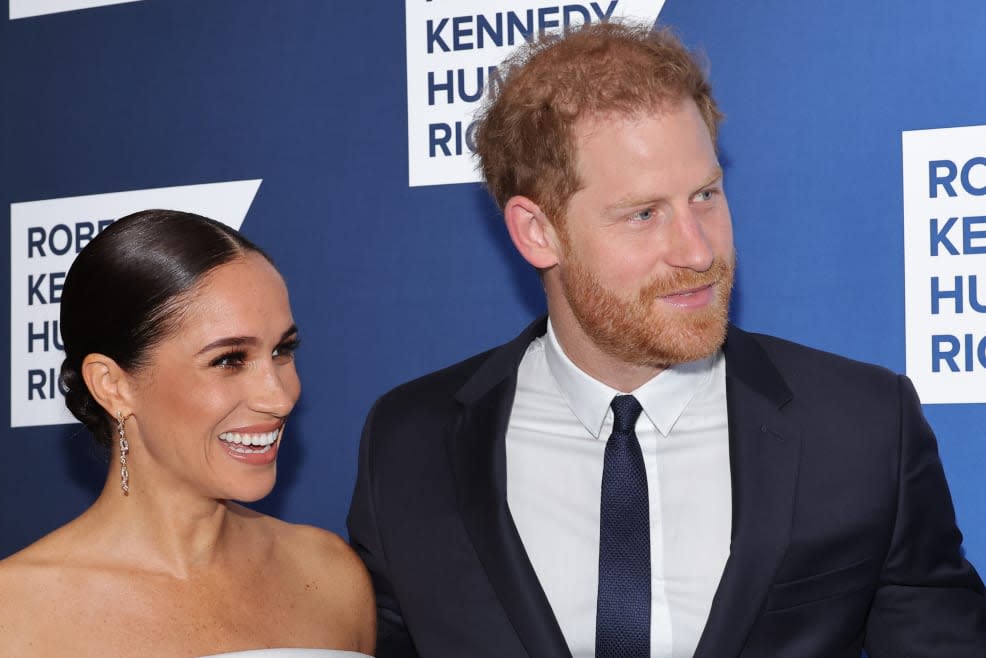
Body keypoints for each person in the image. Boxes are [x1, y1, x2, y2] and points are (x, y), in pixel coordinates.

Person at [347, 22, 986, 658]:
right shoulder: (410, 443)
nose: (698, 249)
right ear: (537, 232)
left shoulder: (861, 426)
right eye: (644, 213)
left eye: (706, 195)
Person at [0, 210, 375, 658]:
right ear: (112, 385)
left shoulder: (331, 576)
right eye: (229, 359)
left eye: (282, 350)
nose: (278, 397)